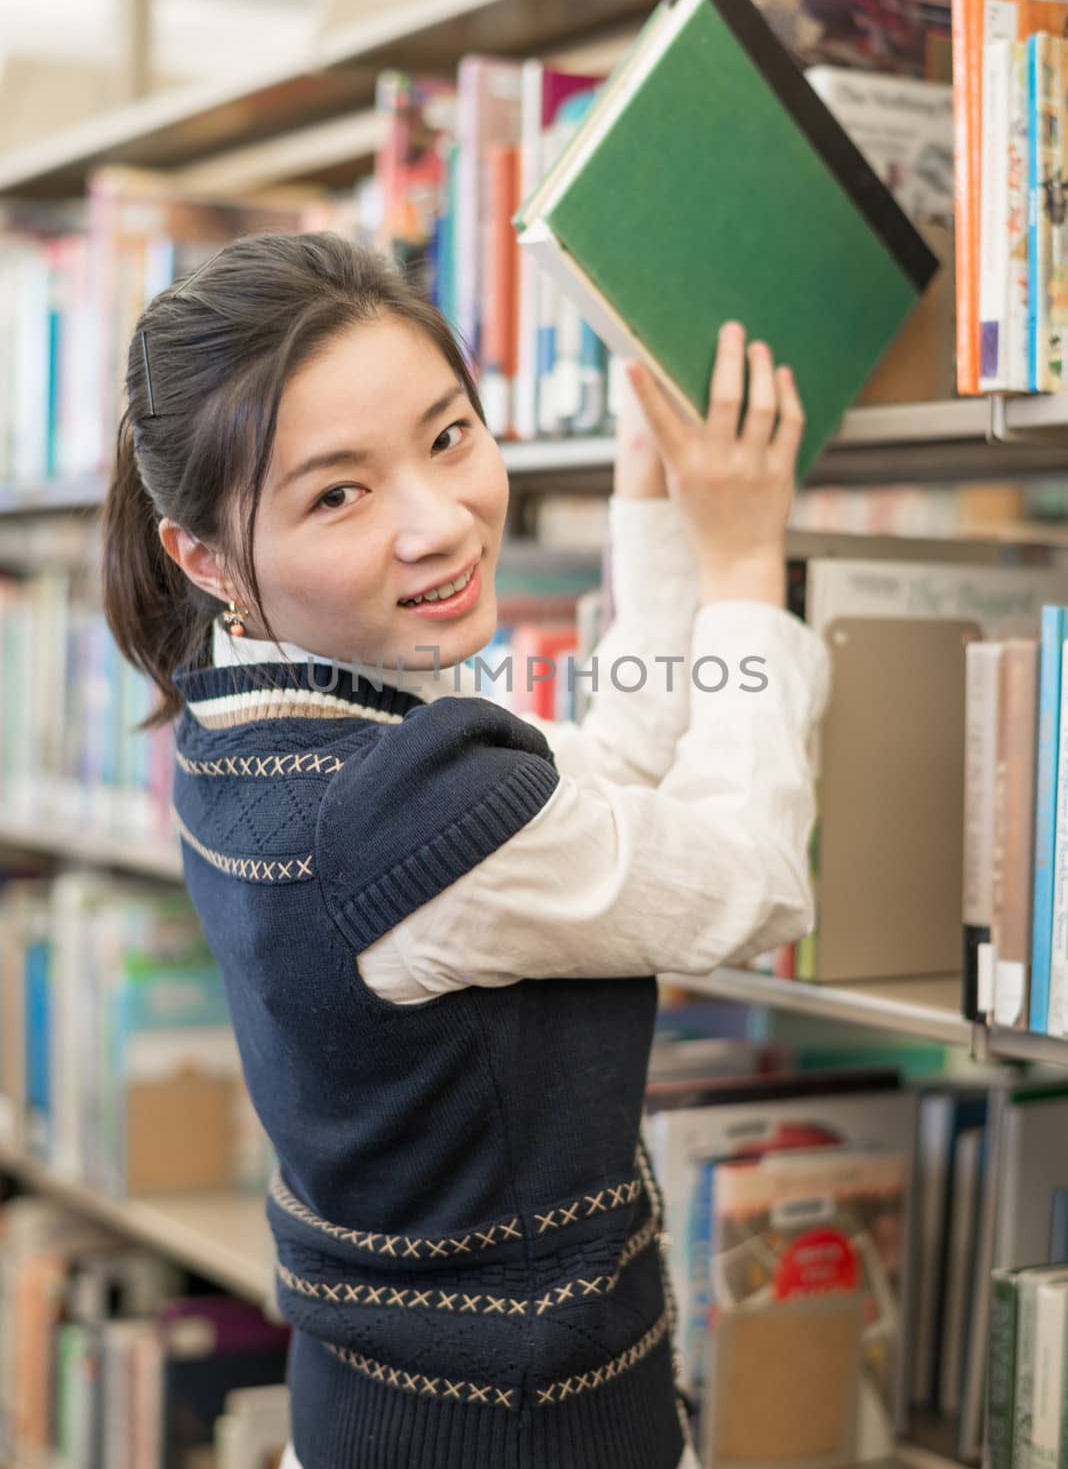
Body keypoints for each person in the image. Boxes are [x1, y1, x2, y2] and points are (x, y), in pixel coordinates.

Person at [101, 231, 831, 1469]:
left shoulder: (252, 724)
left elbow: (601, 788)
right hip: (516, 1435)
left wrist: (653, 506)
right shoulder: (411, 814)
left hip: (374, 1411)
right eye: (340, 492)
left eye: (448, 438)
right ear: (206, 556)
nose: (439, 524)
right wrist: (749, 564)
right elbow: (748, 881)